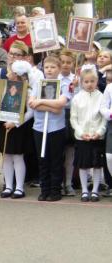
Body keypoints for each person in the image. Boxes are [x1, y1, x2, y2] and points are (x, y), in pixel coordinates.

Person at [28, 56, 70, 202]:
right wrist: (50, 106)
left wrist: (42, 102)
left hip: (56, 128)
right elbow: (31, 103)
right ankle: (44, 189)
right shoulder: (39, 84)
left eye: (53, 67)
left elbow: (61, 104)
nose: (49, 70)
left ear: (59, 69)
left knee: (56, 160)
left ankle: (55, 190)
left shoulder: (63, 84)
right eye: (47, 67)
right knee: (42, 159)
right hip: (39, 127)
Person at [0, 60, 33, 200]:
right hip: (5, 123)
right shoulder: (4, 87)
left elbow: (30, 112)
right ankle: (8, 186)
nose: (8, 74)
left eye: (11, 72)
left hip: (18, 127)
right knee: (6, 156)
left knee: (18, 156)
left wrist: (16, 123)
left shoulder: (28, 90)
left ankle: (19, 187)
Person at [70, 66, 106, 202]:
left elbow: (104, 118)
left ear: (96, 81)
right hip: (82, 137)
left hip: (97, 136)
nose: (89, 84)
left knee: (97, 165)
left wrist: (99, 132)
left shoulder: (101, 97)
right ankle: (85, 190)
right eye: (86, 81)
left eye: (92, 81)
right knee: (83, 165)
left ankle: (95, 190)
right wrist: (80, 132)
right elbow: (73, 118)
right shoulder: (77, 98)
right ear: (81, 82)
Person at [59, 49, 78, 196]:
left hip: (71, 115)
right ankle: (58, 182)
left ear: (73, 64)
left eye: (68, 62)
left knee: (70, 152)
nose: (65, 65)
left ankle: (68, 183)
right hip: (57, 115)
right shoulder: (54, 78)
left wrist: (77, 87)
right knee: (58, 152)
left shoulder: (76, 79)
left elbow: (78, 100)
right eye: (63, 62)